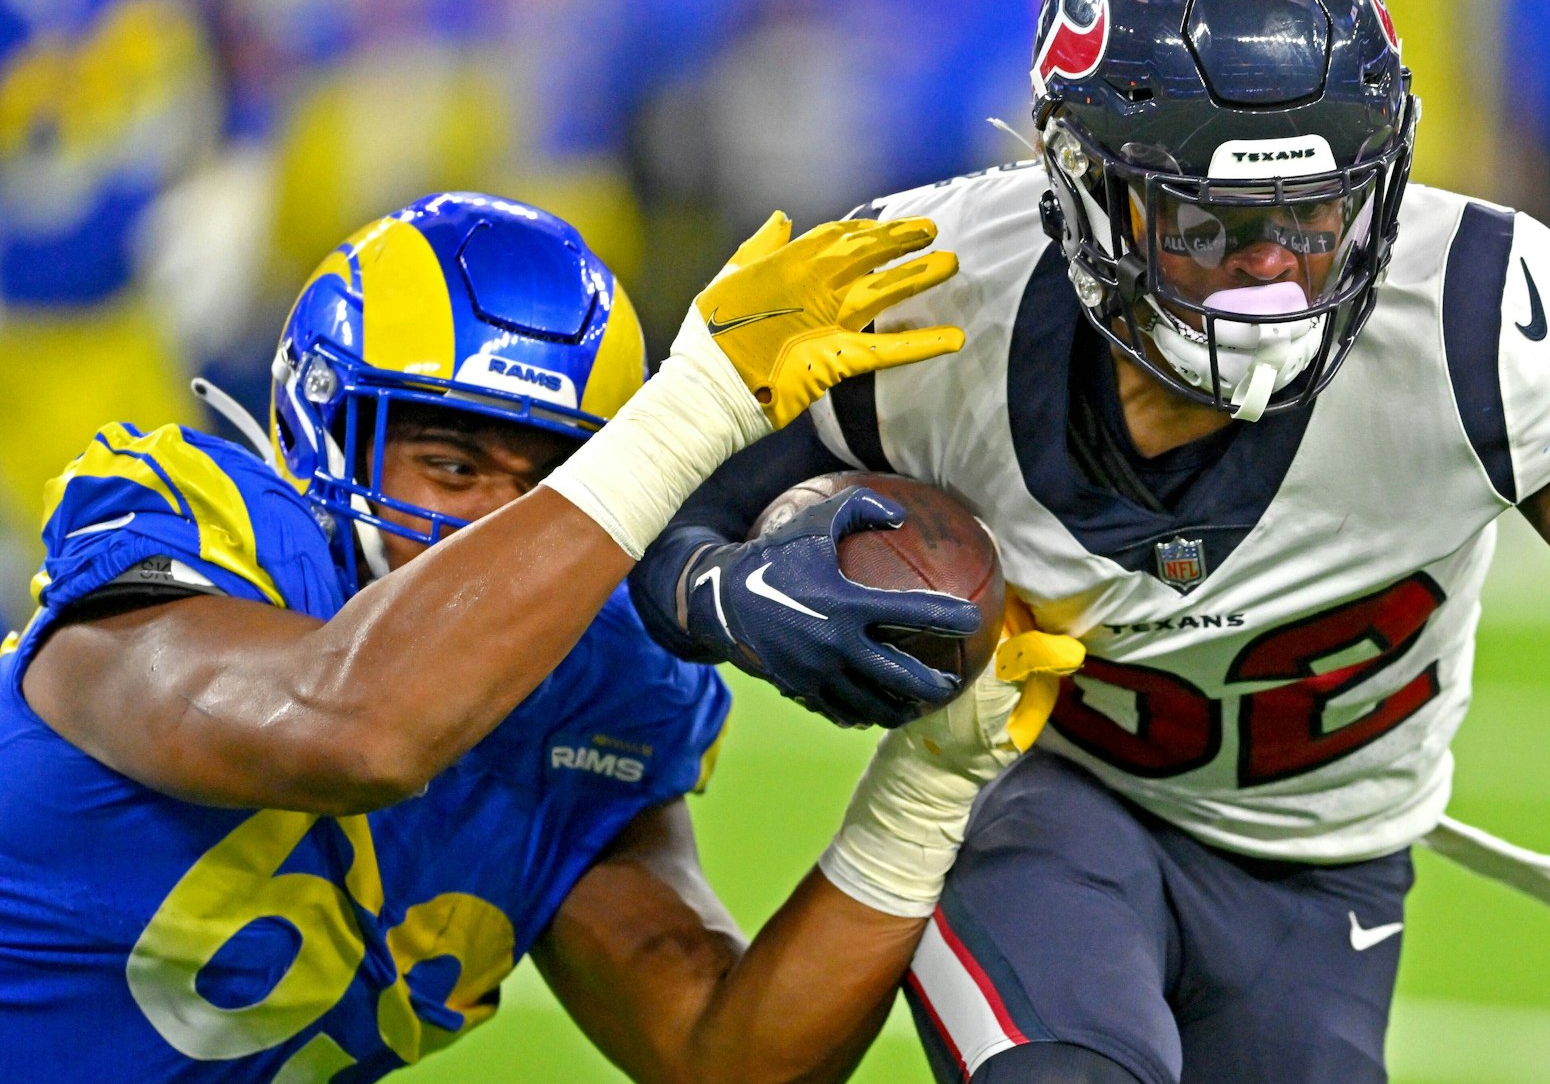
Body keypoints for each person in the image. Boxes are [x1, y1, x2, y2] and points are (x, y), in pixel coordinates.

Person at [631, 0, 1550, 1081]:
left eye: (1310, 217)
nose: (1272, 273)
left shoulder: (1470, 327)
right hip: (1057, 804)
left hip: (1324, 869)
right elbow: (663, 513)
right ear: (1084, 195)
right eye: (1210, 227)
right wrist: (725, 597)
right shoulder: (930, 293)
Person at [0, 191, 1080, 1081]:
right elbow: (355, 727)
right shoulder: (200, 526)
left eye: (551, 481)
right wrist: (697, 401)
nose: (494, 527)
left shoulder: (594, 687)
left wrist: (926, 790)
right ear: (321, 429)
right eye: (454, 468)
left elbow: (723, 1061)